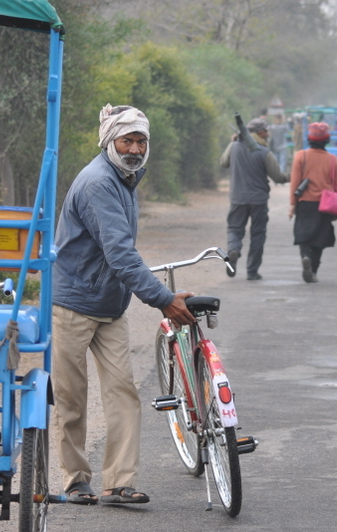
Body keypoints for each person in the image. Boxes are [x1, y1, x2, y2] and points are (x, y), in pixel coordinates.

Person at [51, 104, 195, 506]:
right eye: (126, 140)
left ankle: (118, 482)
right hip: (72, 302)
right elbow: (120, 253)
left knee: (122, 393)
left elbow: (120, 254)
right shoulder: (99, 182)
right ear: (109, 141)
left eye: (140, 141)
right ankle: (76, 479)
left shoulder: (126, 177)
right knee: (72, 396)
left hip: (110, 305)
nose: (134, 148)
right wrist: (163, 299)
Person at [220, 117, 289, 281]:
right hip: (259, 200)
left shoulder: (235, 147)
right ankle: (252, 271)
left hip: (237, 198)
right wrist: (296, 176)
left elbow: (224, 162)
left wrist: (233, 143)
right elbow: (278, 177)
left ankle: (232, 251)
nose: (268, 134)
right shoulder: (264, 152)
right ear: (260, 133)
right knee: (258, 235)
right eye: (266, 131)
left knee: (234, 230)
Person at [289, 122, 337, 283]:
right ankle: (313, 271)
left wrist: (293, 204)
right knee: (320, 238)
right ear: (327, 140)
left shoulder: (301, 156)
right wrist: (336, 211)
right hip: (325, 204)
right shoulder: (333, 160)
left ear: (309, 139)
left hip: (305, 202)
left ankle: (305, 256)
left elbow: (295, 183)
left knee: (304, 236)